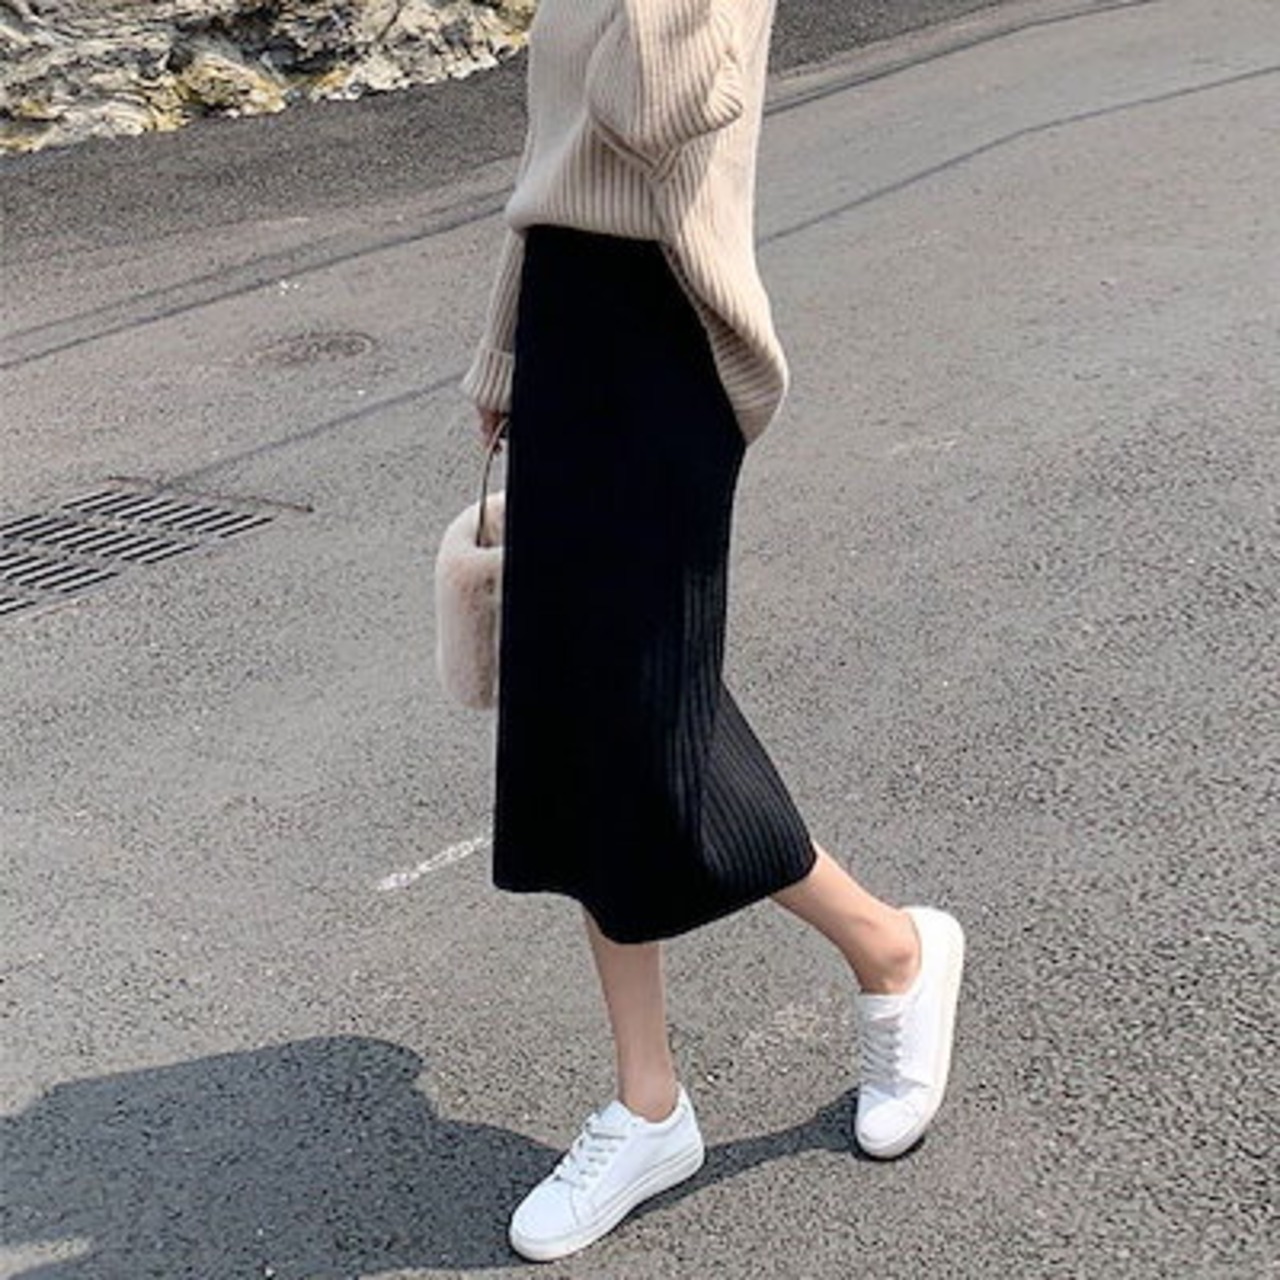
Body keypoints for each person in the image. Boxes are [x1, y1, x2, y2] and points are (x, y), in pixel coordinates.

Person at [458, 0, 965, 1262]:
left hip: (670, 339)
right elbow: (553, 157)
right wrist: (503, 354)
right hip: (568, 325)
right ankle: (647, 1102)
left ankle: (891, 946)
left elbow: (656, 109)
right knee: (578, 717)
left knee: (649, 706)